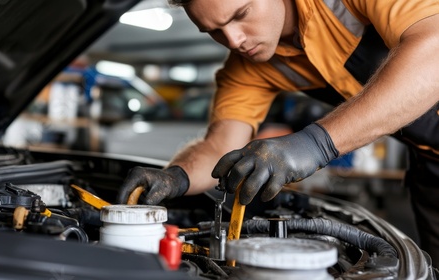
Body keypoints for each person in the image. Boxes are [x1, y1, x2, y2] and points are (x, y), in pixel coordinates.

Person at [117, 0, 439, 266]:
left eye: (241, 14)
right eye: (214, 31)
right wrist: (175, 177)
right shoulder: (247, 67)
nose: (233, 39)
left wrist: (314, 143)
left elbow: (433, 51)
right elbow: (220, 147)